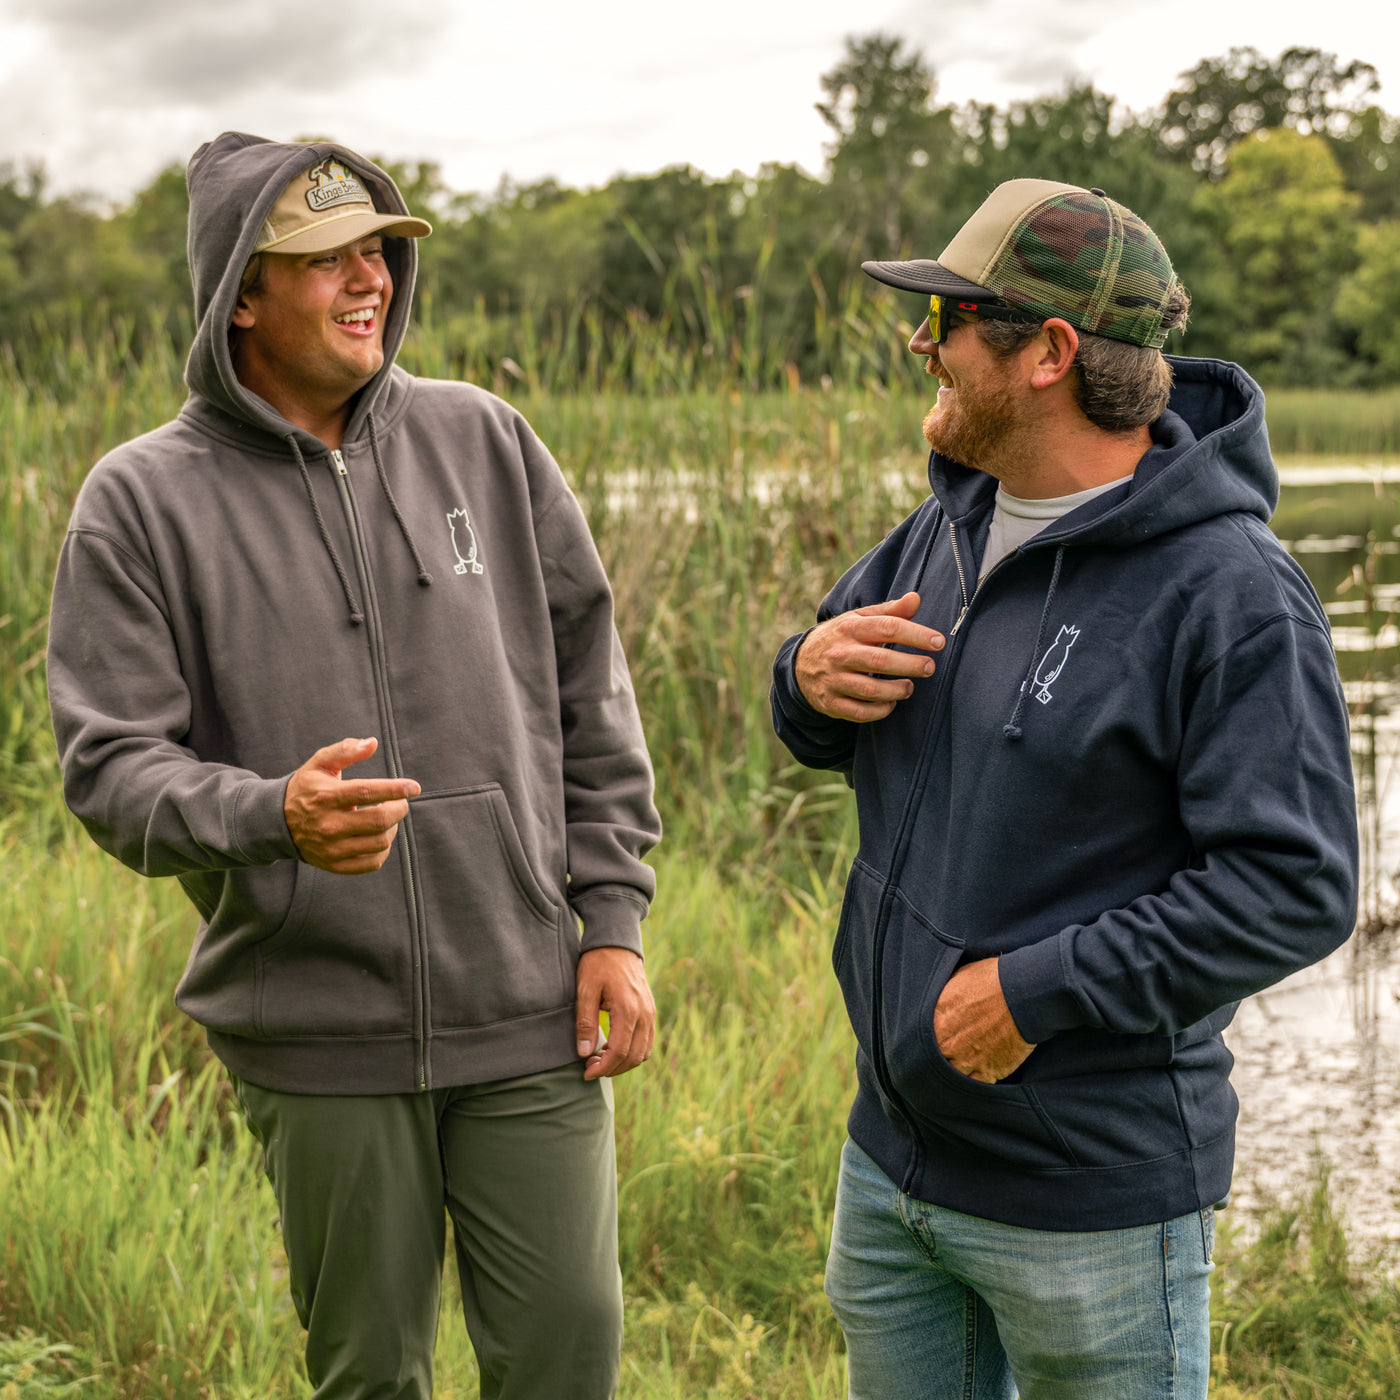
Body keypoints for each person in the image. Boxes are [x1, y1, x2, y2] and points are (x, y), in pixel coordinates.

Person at [47, 133, 661, 1400]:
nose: (367, 276)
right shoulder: (140, 501)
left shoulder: (486, 440)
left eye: (378, 249)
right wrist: (269, 815)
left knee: (568, 1353)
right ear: (242, 292)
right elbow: (111, 766)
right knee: (371, 1375)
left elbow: (589, 696)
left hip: (528, 1005)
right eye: (324, 257)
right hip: (316, 1026)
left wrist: (612, 919)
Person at [769, 178, 1358, 1399]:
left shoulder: (1231, 595)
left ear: (1047, 351)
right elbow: (829, 717)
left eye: (947, 321)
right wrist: (801, 676)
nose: (915, 343)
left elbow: (1291, 888)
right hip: (891, 1171)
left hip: (1086, 1203)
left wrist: (1033, 992)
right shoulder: (944, 524)